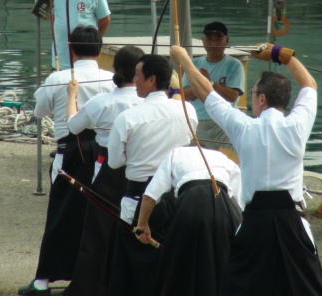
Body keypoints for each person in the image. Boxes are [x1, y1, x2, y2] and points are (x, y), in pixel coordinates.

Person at [171, 42, 322, 296]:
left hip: (255, 223)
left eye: (253, 92)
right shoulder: (297, 125)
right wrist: (281, 55)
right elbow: (309, 85)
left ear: (262, 99)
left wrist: (183, 60)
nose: (252, 96)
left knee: (242, 288)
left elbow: (206, 93)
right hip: (293, 222)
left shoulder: (243, 127)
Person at [19, 25, 115, 296]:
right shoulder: (111, 79)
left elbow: (40, 111)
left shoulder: (58, 78)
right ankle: (98, 278)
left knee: (61, 213)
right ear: (100, 48)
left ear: (71, 49)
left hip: (69, 151)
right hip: (104, 154)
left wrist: (59, 87)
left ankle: (43, 281)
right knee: (98, 213)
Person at [106, 54, 196, 296]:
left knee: (132, 264)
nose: (134, 79)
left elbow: (114, 162)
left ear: (151, 79)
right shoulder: (188, 110)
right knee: (169, 260)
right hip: (176, 202)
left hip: (138, 197)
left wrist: (136, 157)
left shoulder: (128, 117)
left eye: (138, 74)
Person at [62, 45, 144, 296]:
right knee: (136, 228)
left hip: (108, 167)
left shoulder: (102, 102)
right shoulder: (146, 102)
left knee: (100, 230)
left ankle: (93, 286)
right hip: (142, 170)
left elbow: (73, 127)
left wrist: (72, 96)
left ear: (116, 70)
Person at [135, 146, 242, 296]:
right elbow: (239, 205)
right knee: (222, 267)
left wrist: (142, 225)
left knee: (179, 266)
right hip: (224, 208)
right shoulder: (226, 159)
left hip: (189, 205)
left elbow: (150, 196)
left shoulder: (175, 153)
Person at [182, 22, 245, 148]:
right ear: (203, 41)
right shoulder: (194, 63)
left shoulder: (234, 65)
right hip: (197, 121)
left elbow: (232, 96)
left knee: (243, 148)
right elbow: (184, 95)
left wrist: (209, 83)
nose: (213, 43)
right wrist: (201, 84)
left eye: (218, 39)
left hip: (222, 122)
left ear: (226, 41)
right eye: (209, 39)